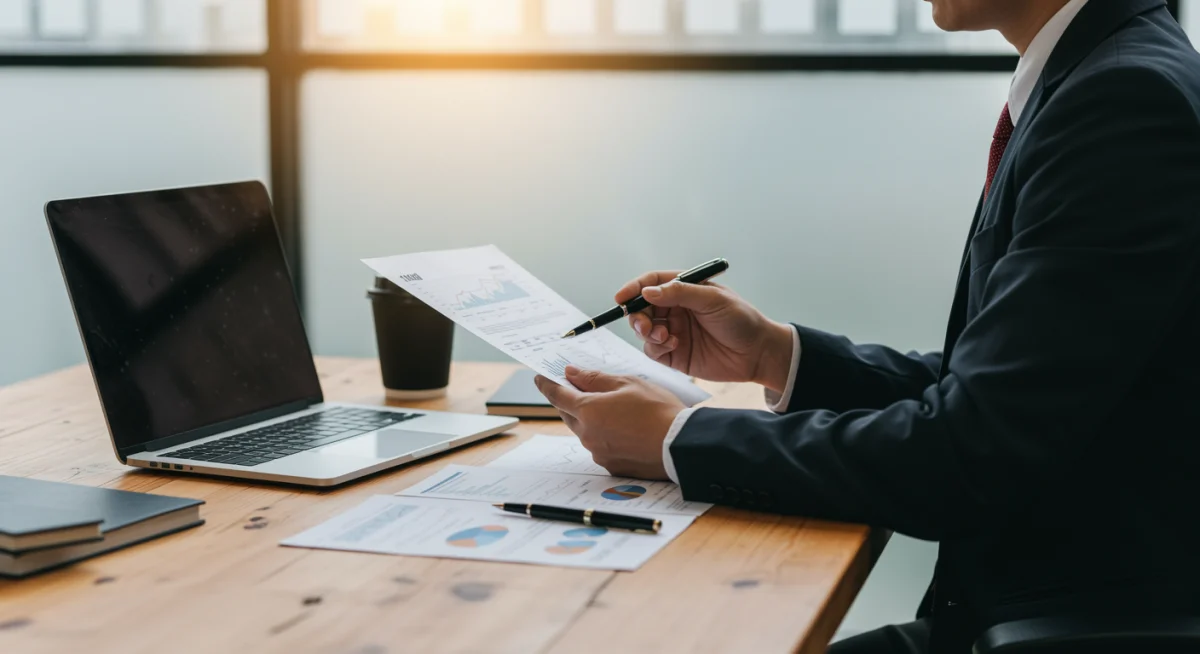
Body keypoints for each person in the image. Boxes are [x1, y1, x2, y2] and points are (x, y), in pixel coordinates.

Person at [533, 0, 1200, 652]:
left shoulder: (1121, 98)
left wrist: (678, 441)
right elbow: (1003, 391)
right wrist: (774, 353)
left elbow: (972, 452)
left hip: (1062, 620)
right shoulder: (1100, 72)